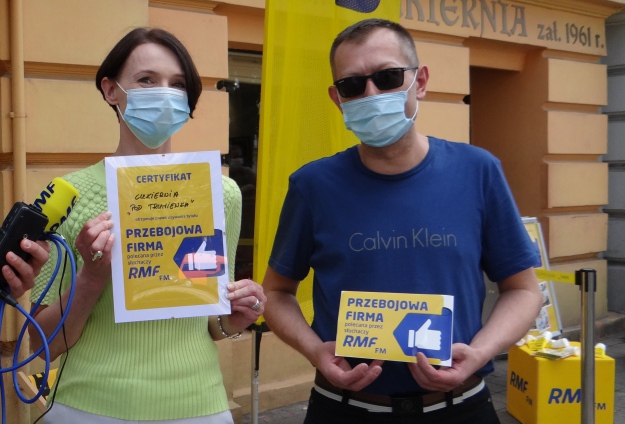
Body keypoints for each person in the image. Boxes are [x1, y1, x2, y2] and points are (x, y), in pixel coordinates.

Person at [262, 18, 544, 424]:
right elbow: (276, 293)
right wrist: (314, 350)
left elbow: (523, 290)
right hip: (344, 409)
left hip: (461, 408)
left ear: (420, 81)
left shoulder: (478, 171)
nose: (371, 94)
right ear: (337, 99)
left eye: (388, 77)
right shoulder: (312, 185)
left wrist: (481, 352)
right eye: (352, 85)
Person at [28, 28, 265, 424]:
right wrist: (90, 280)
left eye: (178, 84)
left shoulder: (220, 193)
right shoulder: (69, 196)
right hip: (87, 408)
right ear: (111, 90)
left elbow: (211, 321)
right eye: (146, 80)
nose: (164, 94)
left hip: (199, 405)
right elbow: (41, 345)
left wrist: (235, 317)